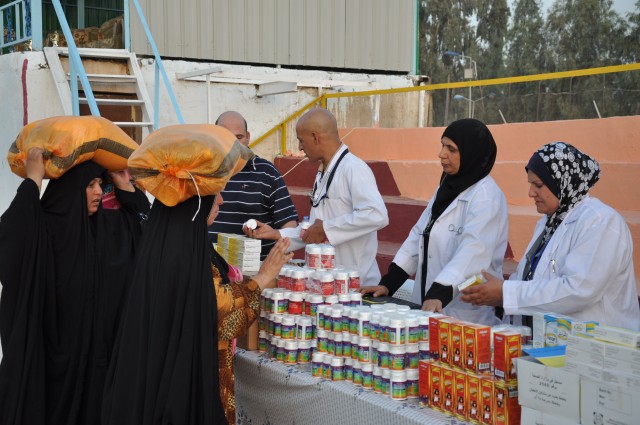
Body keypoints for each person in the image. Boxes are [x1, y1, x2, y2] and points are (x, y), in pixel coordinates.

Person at [101, 165, 293, 425]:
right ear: (197, 202)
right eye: (216, 194)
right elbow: (223, 319)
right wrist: (263, 277)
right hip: (184, 382)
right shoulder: (189, 255)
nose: (222, 200)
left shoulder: (165, 242)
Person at [0, 147, 150, 425]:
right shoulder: (46, 230)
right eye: (89, 185)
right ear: (69, 189)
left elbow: (146, 235)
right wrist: (33, 180)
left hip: (95, 366)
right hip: (51, 364)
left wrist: (124, 184)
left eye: (99, 185)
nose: (97, 193)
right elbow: (11, 234)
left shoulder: (104, 228)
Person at [461, 142, 640, 330]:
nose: (531, 193)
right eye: (530, 184)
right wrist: (496, 290)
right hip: (551, 345)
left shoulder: (601, 222)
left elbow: (578, 290)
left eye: (538, 185)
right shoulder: (551, 223)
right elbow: (534, 279)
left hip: (598, 347)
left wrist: (506, 293)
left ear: (562, 182)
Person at [359, 119, 508, 325]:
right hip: (430, 304)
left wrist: (440, 292)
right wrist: (388, 284)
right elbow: (419, 236)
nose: (441, 154)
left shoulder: (486, 197)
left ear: (471, 153)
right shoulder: (447, 188)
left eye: (451, 149)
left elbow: (474, 253)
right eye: (442, 145)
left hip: (464, 313)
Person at [245, 108, 389, 285]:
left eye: (301, 141)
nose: (299, 147)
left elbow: (377, 215)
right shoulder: (323, 172)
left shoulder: (354, 168)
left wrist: (326, 228)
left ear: (315, 137)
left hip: (356, 285)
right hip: (326, 283)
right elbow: (315, 231)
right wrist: (276, 234)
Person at [208, 111, 298, 260]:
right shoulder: (203, 171)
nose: (233, 144)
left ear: (248, 137)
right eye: (226, 137)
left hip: (256, 272)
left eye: (239, 137)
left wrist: (275, 255)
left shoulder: (267, 173)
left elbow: (289, 225)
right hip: (210, 270)